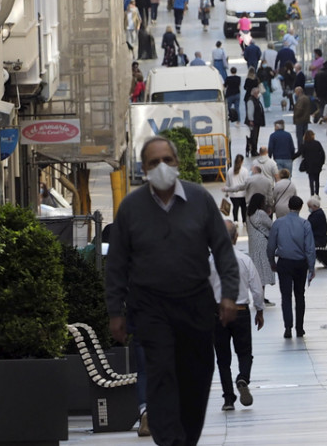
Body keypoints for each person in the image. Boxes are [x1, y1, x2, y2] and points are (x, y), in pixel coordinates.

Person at [106, 136, 240, 446]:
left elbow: (223, 251)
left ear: (177, 163)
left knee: (197, 374)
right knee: (160, 372)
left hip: (195, 304)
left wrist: (229, 295)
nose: (162, 167)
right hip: (150, 307)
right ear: (144, 168)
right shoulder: (131, 208)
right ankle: (168, 440)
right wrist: (115, 311)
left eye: (167, 160)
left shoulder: (200, 200)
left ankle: (185, 439)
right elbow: (116, 264)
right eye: (154, 162)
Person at [210, 220, 265, 411]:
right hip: (241, 312)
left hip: (218, 314)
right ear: (235, 238)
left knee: (222, 358)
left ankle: (228, 399)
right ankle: (243, 377)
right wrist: (259, 310)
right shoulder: (244, 260)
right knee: (244, 353)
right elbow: (256, 289)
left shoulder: (210, 261)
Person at [267, 196, 316, 339]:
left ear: (288, 206)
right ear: (301, 207)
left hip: (284, 262)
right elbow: (310, 248)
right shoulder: (305, 224)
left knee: (286, 295)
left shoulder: (278, 223)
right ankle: (299, 328)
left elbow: (271, 246)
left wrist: (272, 261)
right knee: (300, 295)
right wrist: (311, 268)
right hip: (300, 264)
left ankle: (288, 326)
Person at [245, 193, 277, 306]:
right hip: (262, 244)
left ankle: (259, 297)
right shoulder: (261, 214)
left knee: (257, 271)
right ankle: (260, 298)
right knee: (262, 272)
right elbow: (272, 225)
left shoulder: (248, 215)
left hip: (253, 245)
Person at [295, 130, 325, 197]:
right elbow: (322, 154)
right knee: (317, 179)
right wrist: (322, 163)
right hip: (317, 164)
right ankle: (317, 193)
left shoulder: (304, 145)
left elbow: (298, 153)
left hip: (309, 164)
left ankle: (312, 193)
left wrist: (291, 157)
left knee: (311, 179)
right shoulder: (317, 143)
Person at [226, 154, 249, 223]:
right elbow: (247, 183)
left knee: (235, 207)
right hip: (243, 194)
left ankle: (235, 220)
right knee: (243, 208)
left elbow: (228, 183)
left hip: (233, 194)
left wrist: (227, 192)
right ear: (242, 161)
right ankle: (244, 221)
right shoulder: (245, 171)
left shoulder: (229, 170)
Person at [245, 86, 266, 151]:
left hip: (257, 121)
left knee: (255, 136)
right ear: (255, 93)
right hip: (253, 122)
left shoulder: (255, 100)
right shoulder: (251, 100)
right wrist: (251, 120)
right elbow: (250, 111)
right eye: (258, 93)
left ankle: (254, 149)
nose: (259, 94)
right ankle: (253, 150)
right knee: (253, 136)